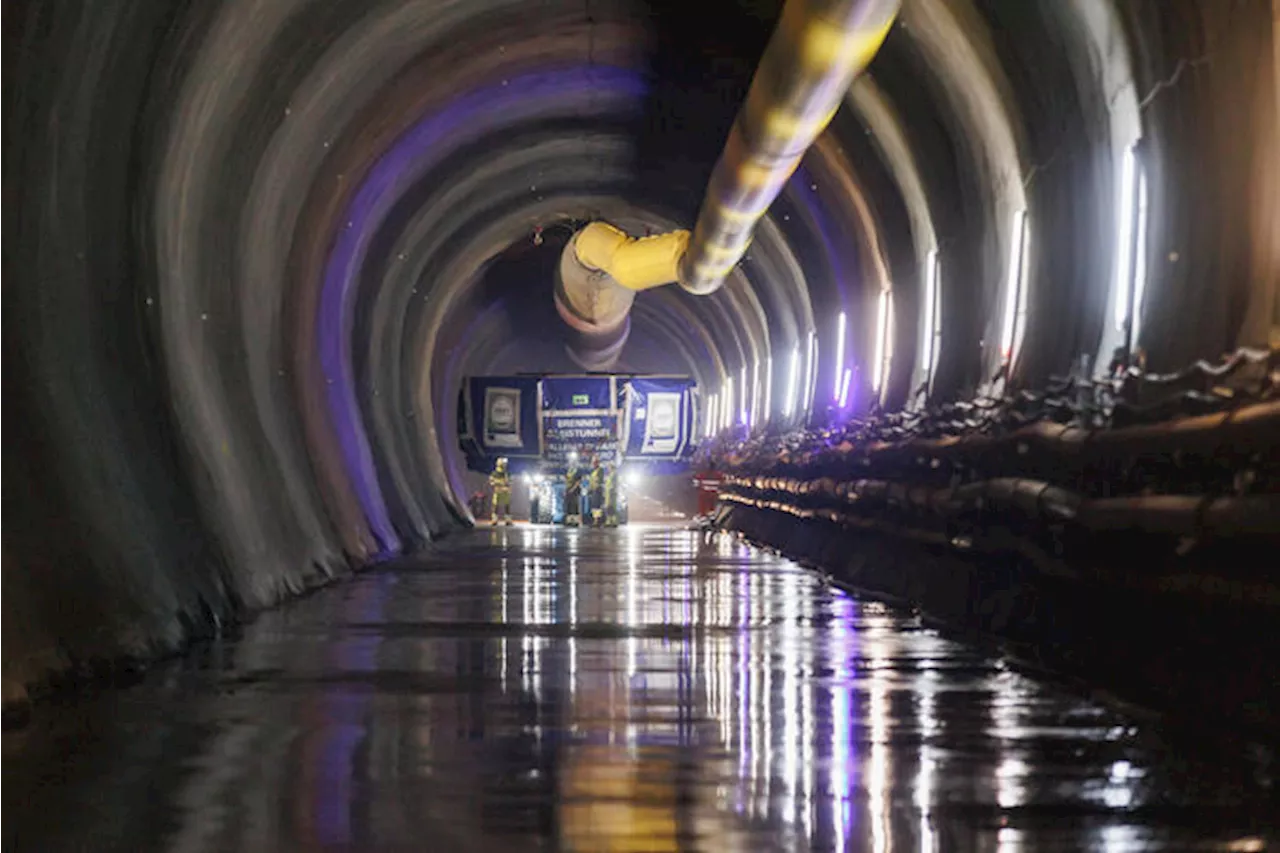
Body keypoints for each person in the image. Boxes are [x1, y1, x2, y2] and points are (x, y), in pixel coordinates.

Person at [489, 458, 513, 526]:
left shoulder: (507, 473)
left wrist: (507, 485)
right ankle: (494, 520)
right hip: (497, 491)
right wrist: (499, 483)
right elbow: (492, 482)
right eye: (503, 463)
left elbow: (510, 481)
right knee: (495, 506)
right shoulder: (494, 473)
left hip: (505, 491)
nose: (505, 465)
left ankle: (508, 520)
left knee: (507, 506)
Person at [564, 458, 583, 527]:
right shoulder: (569, 471)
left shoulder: (577, 471)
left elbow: (578, 481)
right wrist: (566, 490)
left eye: (573, 463)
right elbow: (567, 481)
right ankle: (569, 521)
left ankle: (575, 521)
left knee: (574, 506)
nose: (571, 464)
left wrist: (573, 489)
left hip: (574, 491)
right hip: (568, 490)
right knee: (568, 506)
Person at [587, 454, 604, 527]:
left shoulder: (600, 470)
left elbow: (599, 480)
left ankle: (597, 521)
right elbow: (591, 481)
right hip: (593, 490)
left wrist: (595, 487)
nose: (593, 464)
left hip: (597, 490)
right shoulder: (593, 471)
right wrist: (589, 489)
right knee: (593, 505)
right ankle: (595, 520)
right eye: (593, 462)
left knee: (597, 505)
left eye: (595, 462)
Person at [603, 461, 619, 527]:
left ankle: (613, 521)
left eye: (609, 467)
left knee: (612, 507)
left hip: (612, 493)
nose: (608, 468)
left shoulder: (614, 474)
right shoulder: (610, 474)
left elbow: (614, 484)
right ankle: (609, 521)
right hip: (608, 493)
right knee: (608, 507)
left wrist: (610, 489)